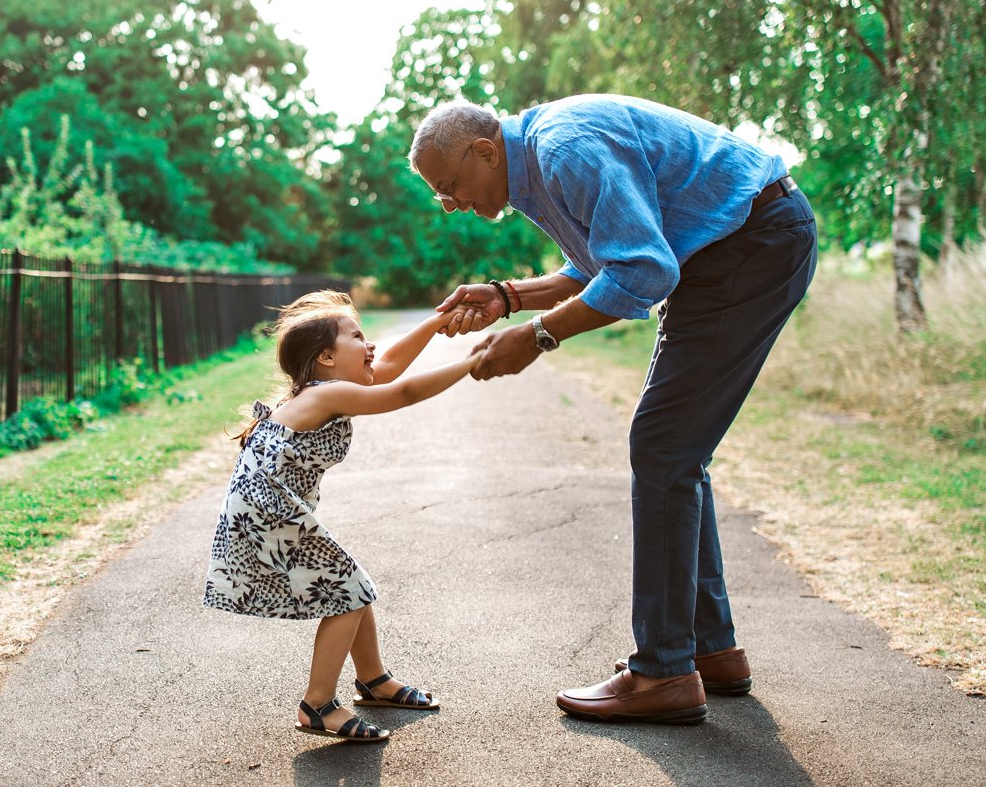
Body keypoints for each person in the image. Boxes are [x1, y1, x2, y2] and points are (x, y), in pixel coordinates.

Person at [411, 94, 818, 725]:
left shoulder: (562, 149)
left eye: (450, 185)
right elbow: (600, 263)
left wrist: (539, 335)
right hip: (736, 247)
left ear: (484, 151)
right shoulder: (537, 163)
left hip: (749, 243)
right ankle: (708, 651)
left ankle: (661, 673)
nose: (449, 202)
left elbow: (643, 269)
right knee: (673, 449)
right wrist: (507, 296)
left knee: (663, 447)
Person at [203, 290, 478, 742]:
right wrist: (473, 363)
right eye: (357, 337)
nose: (369, 346)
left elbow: (386, 371)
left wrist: (435, 324)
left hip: (267, 513)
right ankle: (317, 705)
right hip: (269, 515)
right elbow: (401, 391)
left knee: (350, 588)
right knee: (350, 589)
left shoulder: (321, 391)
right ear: (327, 357)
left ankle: (374, 680)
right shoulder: (323, 397)